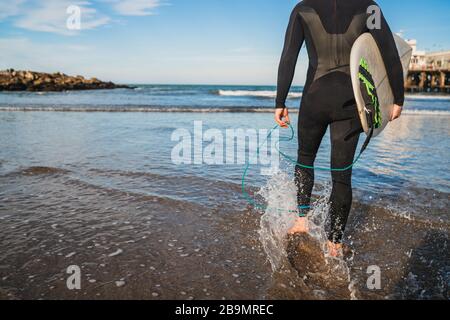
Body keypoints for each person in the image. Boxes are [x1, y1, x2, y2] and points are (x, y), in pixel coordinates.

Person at [274, 0, 405, 257]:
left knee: (305, 159)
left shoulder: (302, 8)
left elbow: (288, 56)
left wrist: (280, 100)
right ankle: (334, 242)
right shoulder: (370, 7)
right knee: (342, 174)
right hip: (351, 104)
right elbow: (389, 52)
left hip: (314, 98)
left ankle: (302, 220)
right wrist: (397, 98)